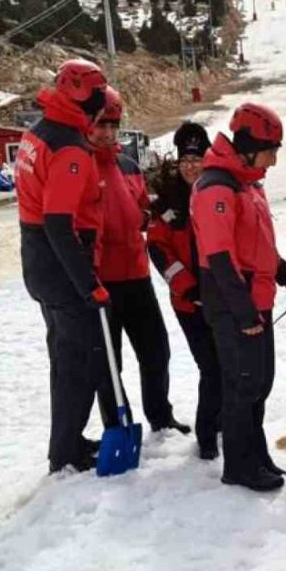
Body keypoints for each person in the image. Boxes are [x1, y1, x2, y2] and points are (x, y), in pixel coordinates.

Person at [191, 103, 286, 492]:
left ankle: (255, 454)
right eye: (270, 149)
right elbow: (221, 258)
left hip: (257, 300)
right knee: (243, 386)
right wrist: (243, 314)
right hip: (233, 303)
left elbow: (258, 248)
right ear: (247, 145)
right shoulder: (216, 188)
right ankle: (238, 466)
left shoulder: (248, 183)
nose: (274, 160)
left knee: (260, 383)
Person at [14, 58, 111, 474]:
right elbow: (58, 222)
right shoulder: (69, 147)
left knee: (64, 356)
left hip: (37, 258)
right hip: (60, 261)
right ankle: (66, 451)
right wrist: (88, 284)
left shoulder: (38, 132)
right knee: (80, 361)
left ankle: (67, 439)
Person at [87, 86, 191, 436]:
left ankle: (160, 416)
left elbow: (143, 210)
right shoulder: (80, 166)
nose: (108, 132)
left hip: (136, 276)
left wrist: (157, 215)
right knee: (107, 362)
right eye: (101, 124)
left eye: (113, 125)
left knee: (156, 353)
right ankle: (118, 424)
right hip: (99, 281)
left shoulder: (128, 165)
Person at [147, 121, 223, 459]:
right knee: (211, 367)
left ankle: (220, 421)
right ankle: (206, 434)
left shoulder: (218, 191)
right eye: (185, 161)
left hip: (222, 299)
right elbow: (159, 251)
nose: (192, 167)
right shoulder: (167, 203)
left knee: (226, 366)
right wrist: (187, 287)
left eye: (198, 159)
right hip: (189, 304)